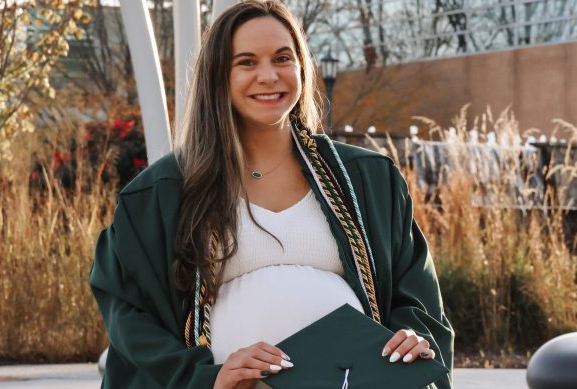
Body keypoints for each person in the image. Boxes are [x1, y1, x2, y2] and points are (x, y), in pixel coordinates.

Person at [89, 1, 454, 388]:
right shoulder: (160, 195)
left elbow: (418, 298)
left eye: (283, 58)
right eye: (246, 62)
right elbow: (129, 315)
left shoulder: (367, 179)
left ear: (301, 67)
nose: (268, 75)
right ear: (218, 76)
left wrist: (413, 340)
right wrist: (204, 378)